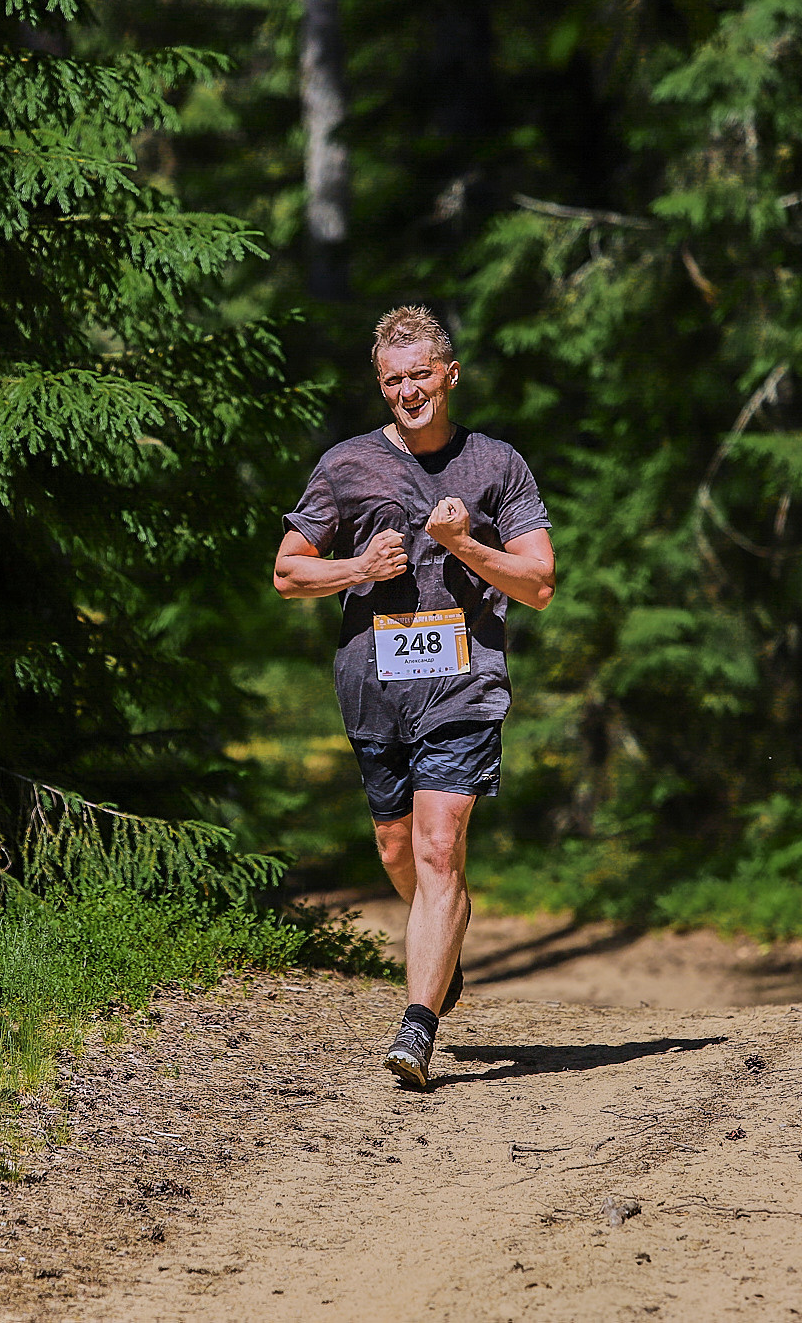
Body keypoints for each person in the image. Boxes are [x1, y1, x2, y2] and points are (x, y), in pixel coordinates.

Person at [272, 306, 555, 1089]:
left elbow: (539, 583)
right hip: (376, 692)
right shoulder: (347, 466)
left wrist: (467, 545)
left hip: (465, 688)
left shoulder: (498, 465)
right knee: (399, 849)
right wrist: (358, 568)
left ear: (449, 375)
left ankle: (417, 1027)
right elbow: (288, 571)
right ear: (381, 383)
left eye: (421, 375)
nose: (408, 391)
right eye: (393, 379)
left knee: (439, 847)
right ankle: (444, 949)